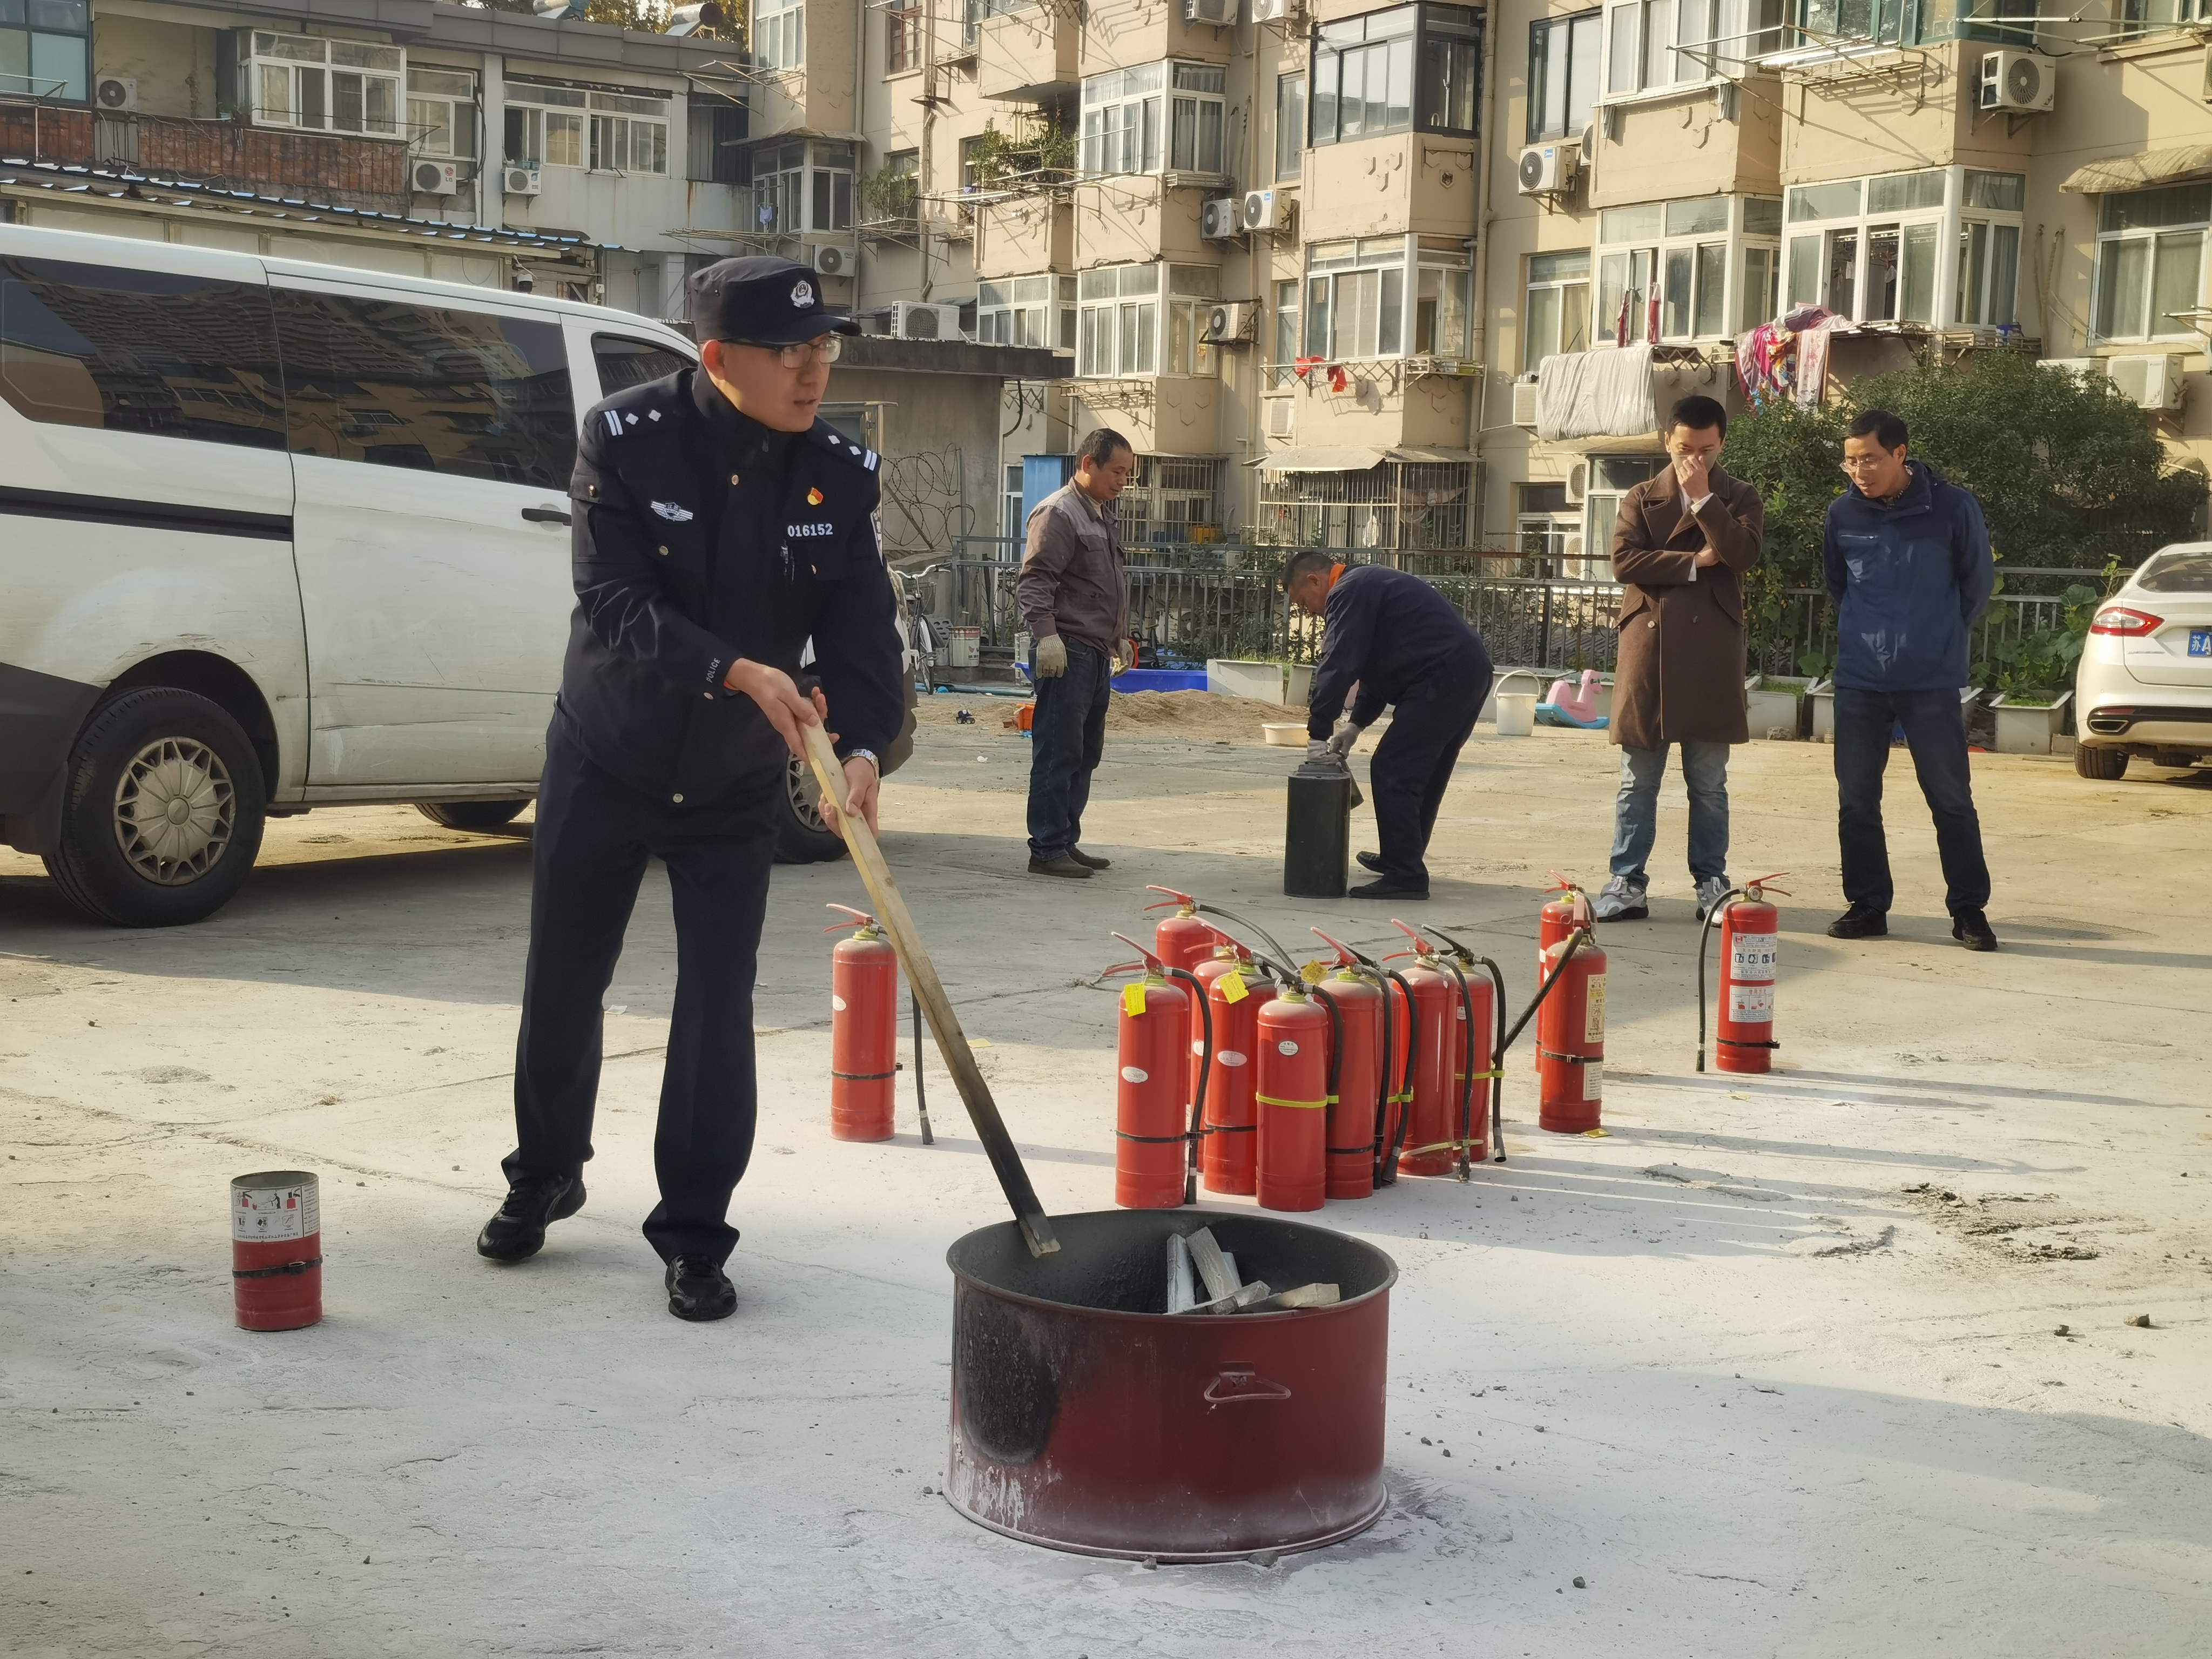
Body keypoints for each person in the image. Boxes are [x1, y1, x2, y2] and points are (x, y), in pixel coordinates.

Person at [475, 256, 906, 1320]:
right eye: (788, 352)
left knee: (718, 1000)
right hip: (607, 753)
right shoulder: (626, 439)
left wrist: (861, 746)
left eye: (823, 347)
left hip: (731, 780)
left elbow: (861, 625)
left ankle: (696, 1232)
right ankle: (544, 1173)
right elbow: (612, 598)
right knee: (565, 976)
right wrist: (736, 670)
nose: (813, 370)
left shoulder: (839, 471)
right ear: (717, 359)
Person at [1822, 409, 1998, 951]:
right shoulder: (1842, 514)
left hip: (1929, 679)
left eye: (1870, 459)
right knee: (1856, 799)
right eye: (1851, 461)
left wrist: (1937, 636)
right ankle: (1867, 905)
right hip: (1860, 678)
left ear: (1900, 453)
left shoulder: (1952, 507)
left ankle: (1968, 910)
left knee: (1950, 798)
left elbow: (1977, 583)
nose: (1860, 471)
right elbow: (1838, 585)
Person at [1594, 394, 1766, 923]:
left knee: (1709, 783)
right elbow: (1624, 562)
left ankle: (1711, 882)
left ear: (1722, 445)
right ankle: (1626, 882)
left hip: (1710, 651)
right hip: (1650, 651)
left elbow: (1742, 554)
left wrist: (1704, 501)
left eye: (1707, 451)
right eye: (1685, 449)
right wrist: (1694, 561)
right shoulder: (1641, 496)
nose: (1695, 460)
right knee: (1636, 780)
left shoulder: (1739, 496)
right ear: (1667, 440)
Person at [1288, 553, 1494, 900]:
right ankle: (1403, 857)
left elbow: (1339, 662)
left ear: (1314, 581)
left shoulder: (1347, 591)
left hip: (1443, 676)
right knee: (1424, 772)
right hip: (1465, 672)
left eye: (1303, 603)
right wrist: (1354, 726)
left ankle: (1406, 875)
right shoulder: (1366, 584)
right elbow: (1375, 667)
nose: (1309, 612)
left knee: (1393, 768)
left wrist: (1318, 735)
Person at [1017, 428, 1135, 879]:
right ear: (1088, 464)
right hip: (1067, 651)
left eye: (1127, 473)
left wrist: (1118, 636)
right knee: (1058, 752)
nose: (1123, 481)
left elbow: (1102, 585)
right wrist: (1046, 636)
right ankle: (1047, 848)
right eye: (1117, 471)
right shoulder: (1059, 513)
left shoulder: (1100, 515)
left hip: (1095, 652)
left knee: (1085, 753)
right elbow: (1036, 580)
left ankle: (1065, 839)